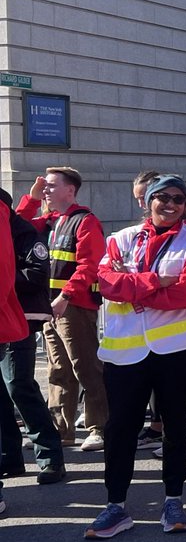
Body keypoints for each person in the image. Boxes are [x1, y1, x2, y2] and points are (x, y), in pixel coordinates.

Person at [85, 175, 186, 538]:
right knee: (119, 430)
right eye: (163, 197)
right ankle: (115, 506)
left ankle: (173, 499)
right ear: (148, 201)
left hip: (177, 351)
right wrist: (155, 282)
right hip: (125, 352)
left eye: (178, 198)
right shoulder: (119, 239)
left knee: (177, 428)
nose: (171, 204)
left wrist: (133, 287)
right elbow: (105, 284)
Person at [16, 168, 107, 451]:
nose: (45, 190)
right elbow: (14, 226)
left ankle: (99, 427)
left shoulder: (85, 221)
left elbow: (90, 266)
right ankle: (60, 430)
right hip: (50, 307)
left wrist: (66, 296)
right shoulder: (49, 221)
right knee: (57, 370)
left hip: (73, 306)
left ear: (70, 190)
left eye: (51, 186)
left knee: (85, 366)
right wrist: (31, 200)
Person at [0, 189, 65, 485]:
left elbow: (36, 272)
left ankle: (50, 456)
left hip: (20, 320)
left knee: (18, 386)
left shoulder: (23, 231)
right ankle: (10, 458)